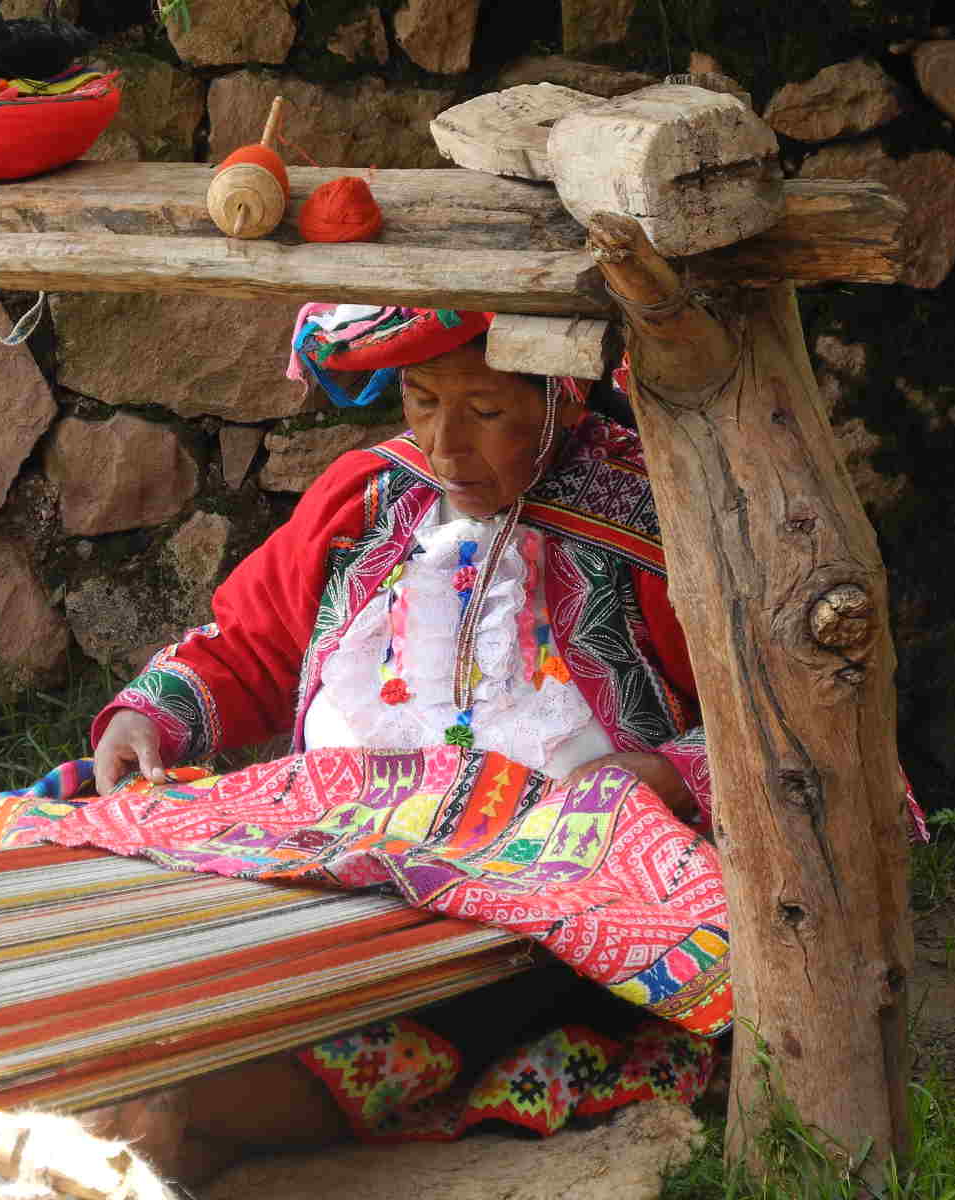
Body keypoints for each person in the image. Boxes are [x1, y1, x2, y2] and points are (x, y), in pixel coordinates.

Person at [71, 304, 721, 1180]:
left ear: (563, 397)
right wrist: (152, 715)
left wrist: (660, 775)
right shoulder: (369, 496)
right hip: (326, 850)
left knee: (428, 1022)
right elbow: (252, 644)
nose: (447, 445)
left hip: (537, 889)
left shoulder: (657, 522)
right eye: (422, 401)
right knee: (141, 908)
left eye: (487, 413)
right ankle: (152, 1074)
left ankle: (183, 1104)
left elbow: (766, 723)